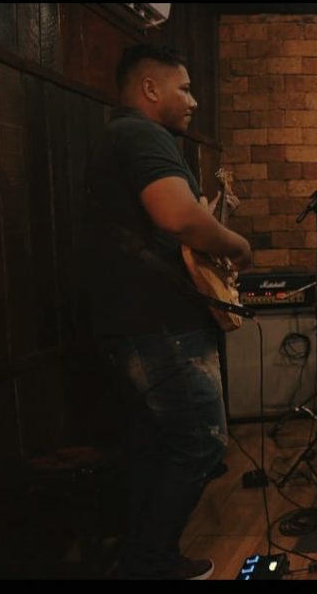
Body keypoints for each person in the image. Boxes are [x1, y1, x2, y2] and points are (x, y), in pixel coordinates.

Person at [86, 44, 251, 579]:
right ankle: (150, 562)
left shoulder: (120, 137)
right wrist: (238, 245)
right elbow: (179, 218)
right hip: (157, 323)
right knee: (201, 441)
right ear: (150, 88)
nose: (194, 101)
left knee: (155, 444)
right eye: (184, 88)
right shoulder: (142, 135)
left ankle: (142, 558)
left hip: (131, 321)